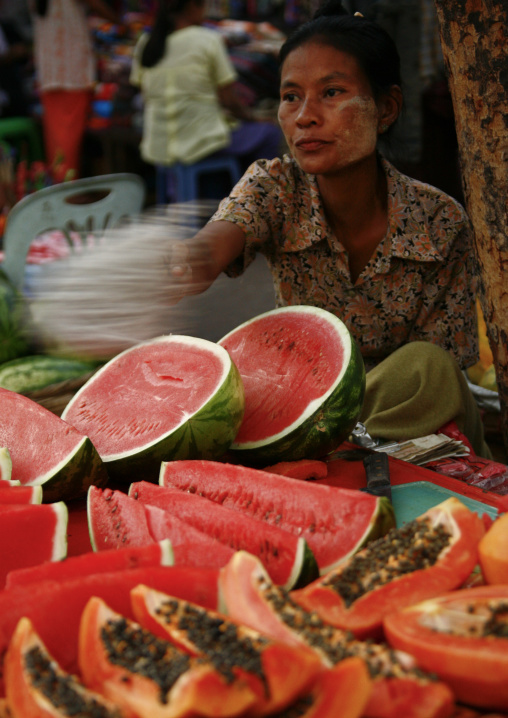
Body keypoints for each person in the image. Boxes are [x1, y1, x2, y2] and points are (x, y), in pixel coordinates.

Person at [162, 1, 489, 458]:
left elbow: (442, 379)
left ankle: (329, 449)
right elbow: (216, 243)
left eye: (332, 92)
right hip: (301, 406)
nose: (305, 116)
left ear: (387, 107)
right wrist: (178, 263)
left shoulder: (440, 222)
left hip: (397, 417)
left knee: (428, 370)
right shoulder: (274, 187)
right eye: (291, 96)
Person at [129, 0, 283, 193]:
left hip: (160, 144)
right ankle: (259, 202)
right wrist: (253, 117)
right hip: (200, 141)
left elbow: (143, 93)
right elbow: (230, 100)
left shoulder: (146, 42)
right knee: (269, 134)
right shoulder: (206, 39)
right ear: (192, 6)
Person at [32, 0, 119, 177]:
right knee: (67, 139)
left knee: (58, 139)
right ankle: (68, 193)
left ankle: (63, 189)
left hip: (50, 72)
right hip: (71, 71)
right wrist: (120, 21)